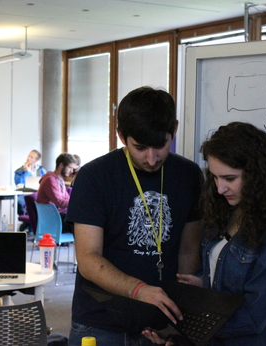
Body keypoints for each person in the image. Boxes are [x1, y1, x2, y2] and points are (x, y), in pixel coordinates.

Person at [148, 122, 266, 345]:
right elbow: (227, 284)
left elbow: (254, 315)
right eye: (214, 177)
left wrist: (185, 330)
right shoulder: (224, 208)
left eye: (229, 179)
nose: (219, 188)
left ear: (256, 175)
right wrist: (205, 283)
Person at [66, 86, 203, 345]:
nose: (152, 159)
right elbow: (88, 258)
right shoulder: (95, 176)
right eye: (140, 147)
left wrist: (183, 318)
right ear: (121, 136)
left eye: (161, 145)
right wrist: (139, 290)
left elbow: (188, 251)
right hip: (100, 321)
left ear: (173, 129)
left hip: (163, 324)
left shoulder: (189, 175)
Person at [14, 149, 47, 217]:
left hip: (38, 194)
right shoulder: (19, 171)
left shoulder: (42, 171)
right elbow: (20, 185)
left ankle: (30, 223)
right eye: (29, 156)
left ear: (36, 160)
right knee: (19, 203)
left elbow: (46, 183)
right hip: (23, 194)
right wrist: (27, 172)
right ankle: (27, 221)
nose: (28, 158)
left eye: (31, 157)